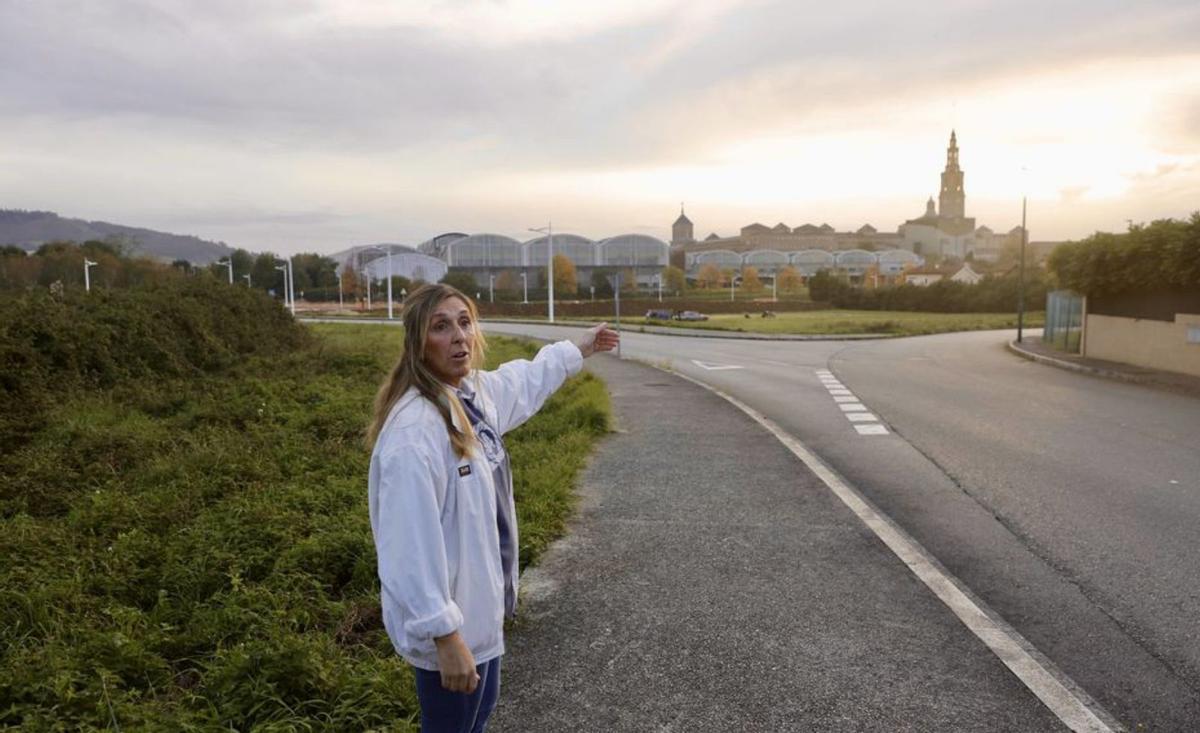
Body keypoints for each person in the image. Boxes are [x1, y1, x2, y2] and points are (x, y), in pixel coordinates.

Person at [365, 283, 619, 733]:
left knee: (477, 721)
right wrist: (444, 635)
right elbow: (407, 550)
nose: (459, 337)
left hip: (481, 617)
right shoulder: (414, 434)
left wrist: (579, 348)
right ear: (418, 342)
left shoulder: (470, 397)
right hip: (452, 632)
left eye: (464, 322)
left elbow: (523, 381)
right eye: (441, 327)